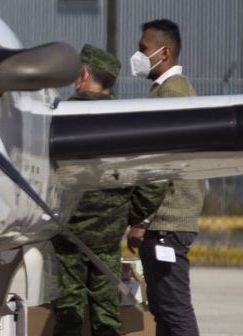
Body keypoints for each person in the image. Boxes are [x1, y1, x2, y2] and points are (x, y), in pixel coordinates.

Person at [52, 44, 141, 336]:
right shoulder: (125, 118)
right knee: (106, 313)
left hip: (67, 232)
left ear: (84, 73)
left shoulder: (60, 116)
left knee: (68, 311)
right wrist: (131, 214)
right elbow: (152, 176)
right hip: (108, 232)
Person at [125, 19, 200, 336]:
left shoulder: (173, 94)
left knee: (174, 309)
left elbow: (163, 164)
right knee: (163, 310)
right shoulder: (165, 92)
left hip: (165, 223)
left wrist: (141, 219)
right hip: (163, 223)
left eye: (144, 49)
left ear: (164, 52)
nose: (138, 55)